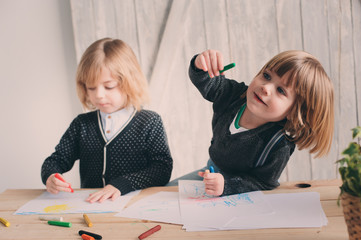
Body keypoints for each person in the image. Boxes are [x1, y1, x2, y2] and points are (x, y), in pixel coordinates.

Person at [168, 49, 334, 197]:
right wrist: (200, 65)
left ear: (295, 112)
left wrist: (226, 186)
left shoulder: (279, 145)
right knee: (163, 193)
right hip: (208, 174)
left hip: (240, 195)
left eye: (281, 90)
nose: (266, 87)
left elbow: (263, 183)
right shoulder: (234, 95)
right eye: (267, 76)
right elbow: (210, 85)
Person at [41, 38, 173, 203]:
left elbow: (161, 169)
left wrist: (121, 185)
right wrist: (51, 175)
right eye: (91, 87)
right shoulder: (81, 125)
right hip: (92, 208)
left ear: (129, 82)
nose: (99, 95)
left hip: (136, 208)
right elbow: (57, 159)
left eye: (109, 86)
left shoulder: (149, 122)